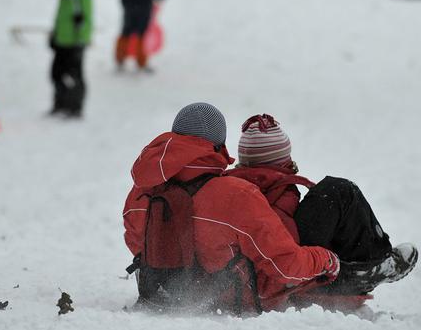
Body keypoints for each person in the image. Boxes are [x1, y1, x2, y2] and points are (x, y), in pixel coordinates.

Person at [122, 103, 340, 314]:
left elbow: (136, 241)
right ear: (219, 144)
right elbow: (285, 266)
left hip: (158, 294)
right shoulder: (237, 194)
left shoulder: (142, 189)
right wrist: (326, 259)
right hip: (231, 303)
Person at [225, 114, 418, 296]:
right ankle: (375, 264)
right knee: (338, 192)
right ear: (282, 162)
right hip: (288, 273)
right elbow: (281, 246)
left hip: (266, 270)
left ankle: (354, 269)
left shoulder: (234, 188)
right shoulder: (267, 192)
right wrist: (324, 260)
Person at [49, 0, 93, 118]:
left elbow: (85, 16)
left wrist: (81, 40)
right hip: (62, 39)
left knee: (75, 76)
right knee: (56, 73)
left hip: (74, 41)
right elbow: (62, 14)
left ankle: (75, 108)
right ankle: (60, 104)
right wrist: (55, 34)